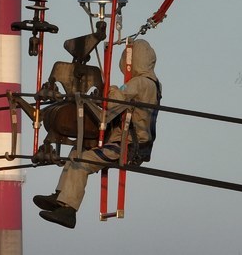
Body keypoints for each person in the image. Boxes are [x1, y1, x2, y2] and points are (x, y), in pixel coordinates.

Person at [33, 39, 161, 228]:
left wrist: (108, 90)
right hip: (123, 140)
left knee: (82, 161)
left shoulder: (140, 83)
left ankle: (69, 210)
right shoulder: (152, 84)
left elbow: (115, 100)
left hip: (128, 145)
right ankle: (61, 195)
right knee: (78, 150)